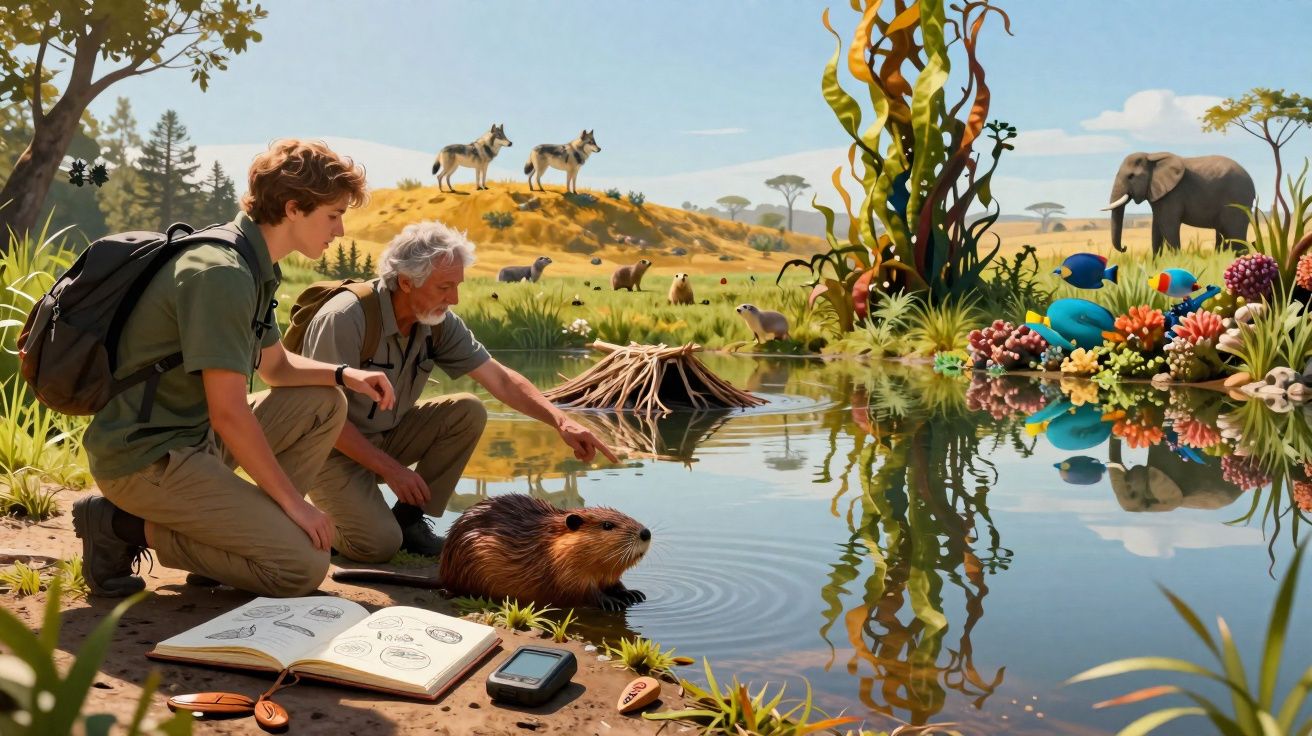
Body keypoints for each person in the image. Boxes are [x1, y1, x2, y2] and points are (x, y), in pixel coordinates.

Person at [73, 139, 395, 598]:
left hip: (194, 440)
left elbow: (277, 368)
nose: (341, 230)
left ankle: (238, 543)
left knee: (324, 402)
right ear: (292, 208)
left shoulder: (251, 262)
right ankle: (116, 525)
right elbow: (228, 412)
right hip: (145, 458)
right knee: (302, 568)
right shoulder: (222, 273)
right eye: (333, 214)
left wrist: (346, 375)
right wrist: (295, 507)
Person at [296, 219, 619, 561]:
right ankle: (308, 518)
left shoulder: (437, 321)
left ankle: (407, 522)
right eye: (444, 287)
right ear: (406, 282)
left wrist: (560, 421)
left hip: (383, 437)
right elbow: (322, 419)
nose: (455, 298)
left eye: (457, 285)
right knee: (377, 546)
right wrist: (393, 470)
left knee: (467, 410)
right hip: (329, 449)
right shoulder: (345, 318)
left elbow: (500, 379)